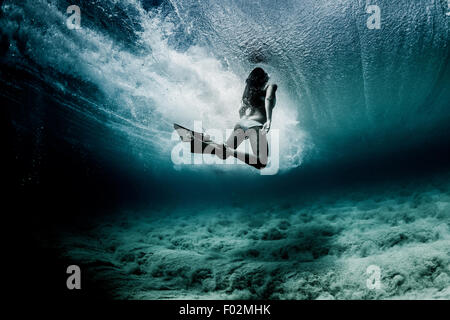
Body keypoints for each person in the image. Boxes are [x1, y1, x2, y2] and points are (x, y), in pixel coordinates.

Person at [218, 67, 277, 169]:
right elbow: (268, 98)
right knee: (261, 162)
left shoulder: (248, 91)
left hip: (241, 123)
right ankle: (229, 150)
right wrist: (269, 120)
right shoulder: (270, 86)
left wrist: (244, 127)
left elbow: (240, 109)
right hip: (254, 126)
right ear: (263, 78)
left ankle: (210, 141)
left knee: (222, 154)